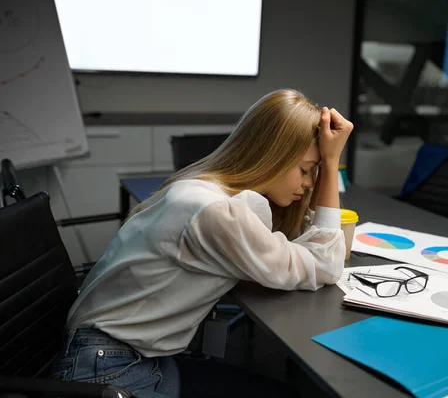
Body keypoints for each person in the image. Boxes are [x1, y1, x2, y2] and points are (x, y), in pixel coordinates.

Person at [50, 89, 354, 397]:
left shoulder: (202, 191)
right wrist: (331, 163)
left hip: (125, 358)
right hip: (110, 372)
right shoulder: (217, 213)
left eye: (314, 172)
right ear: (271, 155)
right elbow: (325, 264)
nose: (310, 182)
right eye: (305, 170)